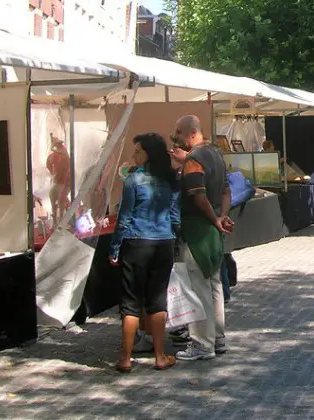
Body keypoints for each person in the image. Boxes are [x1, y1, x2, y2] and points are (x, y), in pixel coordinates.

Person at [109, 133, 181, 373]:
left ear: (148, 153)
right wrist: (174, 238)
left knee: (131, 301)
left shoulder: (134, 180)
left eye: (137, 151)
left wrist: (115, 247)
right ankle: (160, 356)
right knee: (157, 299)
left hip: (137, 241)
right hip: (163, 241)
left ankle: (126, 358)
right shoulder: (170, 179)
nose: (134, 155)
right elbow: (174, 215)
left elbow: (124, 217)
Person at [169, 115, 234, 362]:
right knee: (214, 285)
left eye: (178, 131)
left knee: (199, 288)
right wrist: (222, 215)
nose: (175, 136)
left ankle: (202, 343)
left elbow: (198, 195)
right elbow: (227, 189)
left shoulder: (194, 160)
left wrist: (216, 218)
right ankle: (218, 338)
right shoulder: (216, 155)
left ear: (192, 133)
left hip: (198, 229)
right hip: (213, 229)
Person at [46, 133, 72, 227]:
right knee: (57, 200)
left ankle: (61, 221)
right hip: (60, 180)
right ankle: (57, 221)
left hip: (65, 181)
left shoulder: (63, 152)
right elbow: (49, 166)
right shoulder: (54, 156)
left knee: (61, 201)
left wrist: (52, 146)